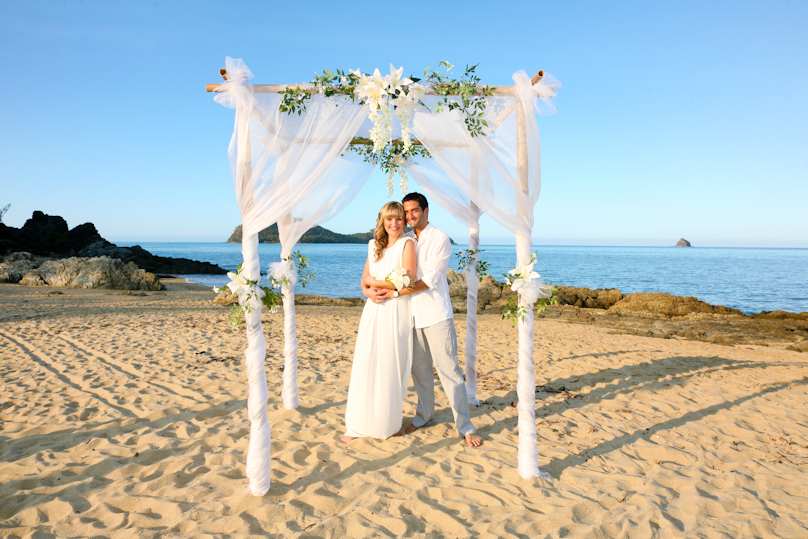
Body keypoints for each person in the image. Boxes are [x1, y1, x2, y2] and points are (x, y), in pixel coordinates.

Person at [374, 192, 482, 447]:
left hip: (435, 314)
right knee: (420, 372)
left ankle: (465, 427)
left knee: (450, 372)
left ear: (426, 210)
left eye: (414, 211)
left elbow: (429, 281)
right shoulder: (405, 238)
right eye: (406, 212)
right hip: (409, 315)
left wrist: (395, 291)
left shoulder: (440, 239)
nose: (409, 216)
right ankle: (424, 415)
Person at [341, 202, 418, 442]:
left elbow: (409, 280)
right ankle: (358, 425)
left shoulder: (408, 244)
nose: (394, 224)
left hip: (395, 310)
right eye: (389, 220)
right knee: (367, 362)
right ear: (382, 222)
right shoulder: (373, 245)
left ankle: (388, 423)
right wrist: (368, 291)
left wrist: (377, 283)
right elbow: (364, 280)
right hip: (373, 310)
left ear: (404, 222)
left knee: (389, 364)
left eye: (398, 219)